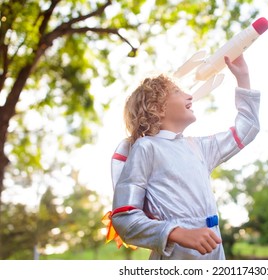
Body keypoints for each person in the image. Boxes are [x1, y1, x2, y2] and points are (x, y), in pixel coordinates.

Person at [110, 54, 260, 260]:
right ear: (156, 108)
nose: (190, 96)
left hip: (214, 252)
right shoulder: (146, 147)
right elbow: (124, 217)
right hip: (176, 257)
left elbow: (247, 129)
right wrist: (177, 233)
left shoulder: (198, 147)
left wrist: (243, 78)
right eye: (177, 92)